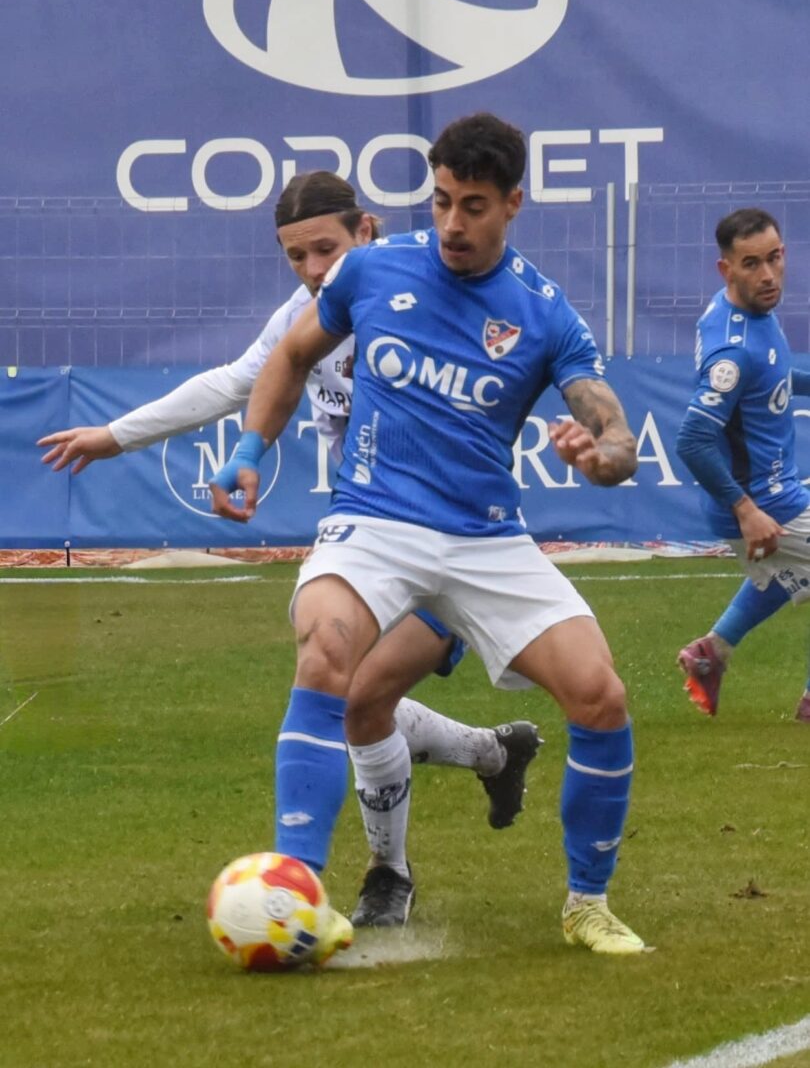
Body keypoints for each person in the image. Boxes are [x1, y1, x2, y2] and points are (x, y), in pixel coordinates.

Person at [38, 170, 542, 932]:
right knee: (352, 694)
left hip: (460, 536)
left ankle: (420, 833)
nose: (312, 270)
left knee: (359, 698)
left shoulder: (434, 289)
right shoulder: (305, 317)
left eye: (325, 250)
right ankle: (427, 829)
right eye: (296, 257)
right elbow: (235, 383)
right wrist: (114, 436)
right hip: (370, 538)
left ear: (366, 231)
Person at [210, 113, 647, 955]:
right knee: (326, 653)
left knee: (602, 696)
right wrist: (249, 450)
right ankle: (296, 894)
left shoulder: (545, 313)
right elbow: (291, 356)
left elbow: (616, 433)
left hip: (485, 538)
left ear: (513, 203)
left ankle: (587, 904)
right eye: (442, 200)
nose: (452, 223)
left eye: (473, 205)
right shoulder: (371, 269)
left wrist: (603, 457)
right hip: (374, 521)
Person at [676, 207, 810, 724]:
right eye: (752, 264)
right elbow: (692, 440)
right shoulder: (732, 352)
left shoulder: (746, 312)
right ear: (725, 269)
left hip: (772, 494)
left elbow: (772, 378)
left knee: (793, 572)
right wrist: (747, 511)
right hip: (762, 502)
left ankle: (711, 653)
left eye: (774, 258)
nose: (769, 275)